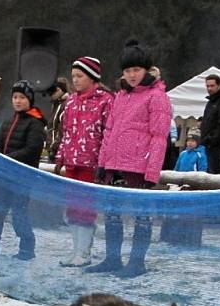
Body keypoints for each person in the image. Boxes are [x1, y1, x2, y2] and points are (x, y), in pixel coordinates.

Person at [86, 39, 171, 277]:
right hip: (115, 166)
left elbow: (159, 137)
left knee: (140, 215)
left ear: (146, 70)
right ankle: (112, 258)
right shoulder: (120, 96)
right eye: (127, 70)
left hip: (139, 167)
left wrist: (151, 172)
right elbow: (109, 131)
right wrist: (102, 164)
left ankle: (137, 262)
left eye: (136, 70)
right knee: (112, 213)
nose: (132, 75)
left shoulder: (157, 97)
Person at [0, 80, 46, 263]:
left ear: (29, 100)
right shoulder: (9, 120)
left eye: (22, 97)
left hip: (22, 178)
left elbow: (32, 149)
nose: (17, 101)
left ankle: (27, 247)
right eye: (15, 97)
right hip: (4, 177)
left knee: (19, 214)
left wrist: (8, 159)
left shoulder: (35, 123)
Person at [55, 56, 112, 267]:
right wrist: (61, 156)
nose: (76, 80)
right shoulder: (70, 101)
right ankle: (75, 250)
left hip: (91, 164)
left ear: (92, 77)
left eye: (80, 76)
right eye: (73, 77)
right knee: (72, 208)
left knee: (86, 209)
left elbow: (108, 133)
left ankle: (85, 252)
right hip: (72, 162)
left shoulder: (105, 100)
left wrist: (103, 162)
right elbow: (66, 131)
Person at [46, 78, 69, 162]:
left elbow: (61, 129)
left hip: (57, 151)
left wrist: (53, 147)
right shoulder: (56, 105)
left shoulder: (65, 105)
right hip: (53, 150)